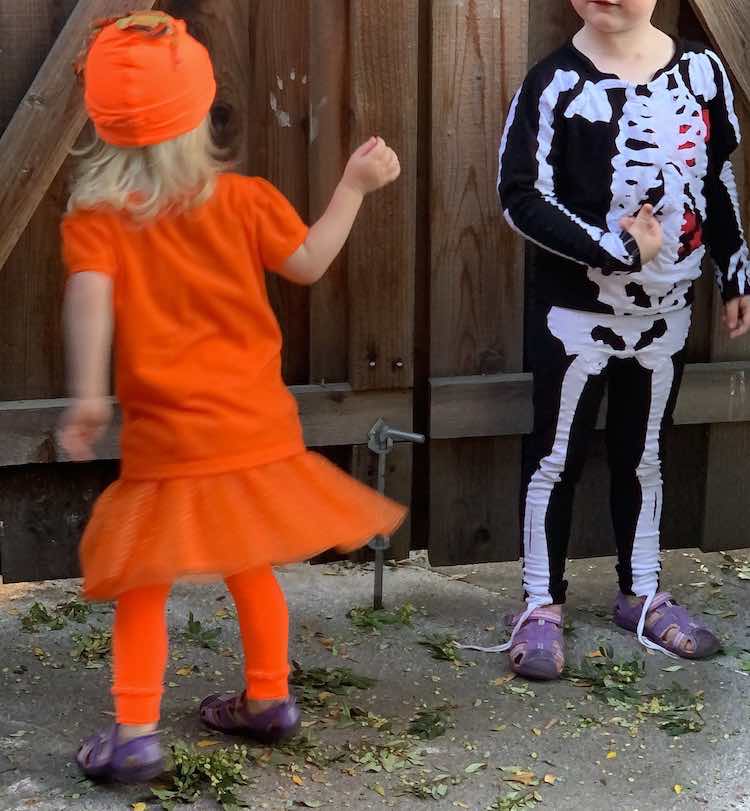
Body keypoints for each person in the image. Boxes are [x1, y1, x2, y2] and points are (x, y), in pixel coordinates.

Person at [59, 11, 406, 783]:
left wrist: (86, 396)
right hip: (254, 427)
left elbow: (88, 303)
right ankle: (270, 698)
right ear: (200, 110)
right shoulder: (245, 200)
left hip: (167, 440)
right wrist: (352, 183)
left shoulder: (97, 220)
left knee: (143, 578)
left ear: (103, 123)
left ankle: (136, 732)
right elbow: (312, 261)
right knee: (251, 564)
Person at [496, 0, 750, 680]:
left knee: (644, 457)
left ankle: (641, 593)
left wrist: (734, 266)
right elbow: (519, 194)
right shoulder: (554, 84)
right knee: (556, 456)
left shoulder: (702, 72)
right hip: (577, 314)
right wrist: (611, 249)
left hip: (666, 313)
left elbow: (713, 176)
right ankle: (540, 604)